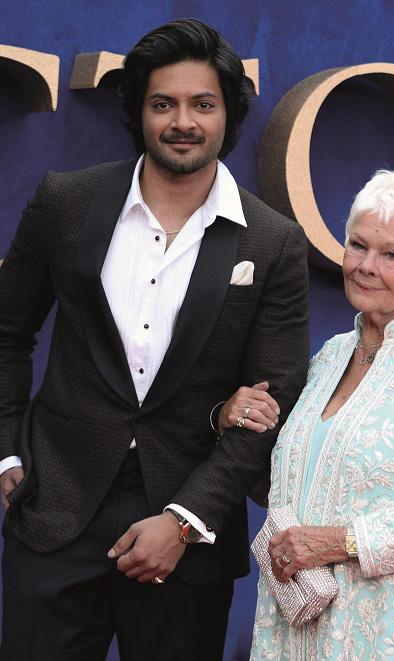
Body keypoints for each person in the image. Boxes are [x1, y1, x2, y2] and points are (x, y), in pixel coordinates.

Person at [0, 18, 309, 661]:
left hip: (188, 533)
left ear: (228, 113)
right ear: (139, 112)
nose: (182, 122)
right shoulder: (67, 202)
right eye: (163, 104)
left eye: (203, 104)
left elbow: (274, 398)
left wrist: (185, 519)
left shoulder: (271, 241)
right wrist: (6, 455)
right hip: (55, 510)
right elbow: (6, 332)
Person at [224, 169, 394, 659]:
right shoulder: (331, 355)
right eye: (358, 246)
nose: (366, 266)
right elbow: (292, 485)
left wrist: (340, 542)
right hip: (300, 634)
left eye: (391, 255)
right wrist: (235, 417)